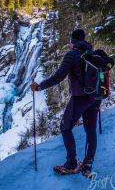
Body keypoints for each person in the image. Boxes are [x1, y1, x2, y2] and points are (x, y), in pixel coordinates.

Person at [31, 29, 101, 177]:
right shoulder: (92, 53)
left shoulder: (72, 55)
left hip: (80, 98)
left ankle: (71, 164)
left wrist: (39, 86)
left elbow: (58, 77)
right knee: (90, 130)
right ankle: (87, 165)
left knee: (65, 127)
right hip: (95, 97)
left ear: (72, 42)